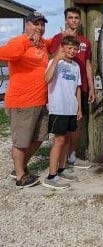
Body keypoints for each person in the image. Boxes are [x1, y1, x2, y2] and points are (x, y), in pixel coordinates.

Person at [0, 12, 51, 187]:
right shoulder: (18, 41)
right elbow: (3, 53)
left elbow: (53, 43)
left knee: (40, 137)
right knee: (21, 142)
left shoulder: (43, 43)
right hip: (22, 102)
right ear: (26, 25)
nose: (39, 28)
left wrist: (65, 35)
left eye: (42, 24)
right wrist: (26, 41)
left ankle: (20, 166)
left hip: (40, 100)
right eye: (36, 24)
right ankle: (21, 177)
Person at [49, 7, 94, 169]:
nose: (74, 20)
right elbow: (52, 59)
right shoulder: (58, 38)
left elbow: (88, 65)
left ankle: (72, 157)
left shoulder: (85, 41)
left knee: (77, 124)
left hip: (80, 87)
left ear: (80, 21)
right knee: (62, 131)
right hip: (63, 89)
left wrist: (92, 88)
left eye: (76, 18)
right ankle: (59, 162)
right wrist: (63, 41)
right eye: (71, 18)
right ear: (66, 20)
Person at [42, 36, 82, 189]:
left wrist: (79, 108)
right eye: (69, 48)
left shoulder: (76, 66)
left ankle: (61, 169)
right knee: (58, 141)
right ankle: (51, 176)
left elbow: (77, 87)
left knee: (66, 140)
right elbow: (47, 79)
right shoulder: (55, 62)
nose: (72, 51)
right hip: (58, 108)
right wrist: (57, 58)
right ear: (62, 47)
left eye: (75, 49)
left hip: (71, 108)